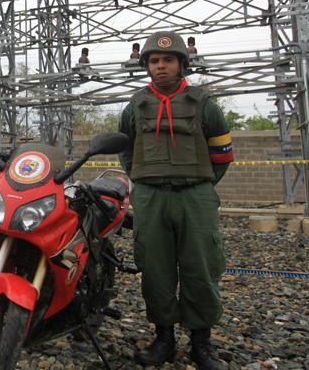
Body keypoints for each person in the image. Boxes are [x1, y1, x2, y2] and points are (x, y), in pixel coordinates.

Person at [117, 31, 233, 370]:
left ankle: (201, 343)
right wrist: (144, 179)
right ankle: (164, 339)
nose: (161, 65)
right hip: (152, 199)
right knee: (155, 269)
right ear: (146, 66)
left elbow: (222, 155)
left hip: (195, 197)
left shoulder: (204, 104)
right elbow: (126, 149)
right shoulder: (135, 105)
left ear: (181, 64)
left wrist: (199, 184)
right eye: (154, 61)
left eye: (168, 60)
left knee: (201, 268)